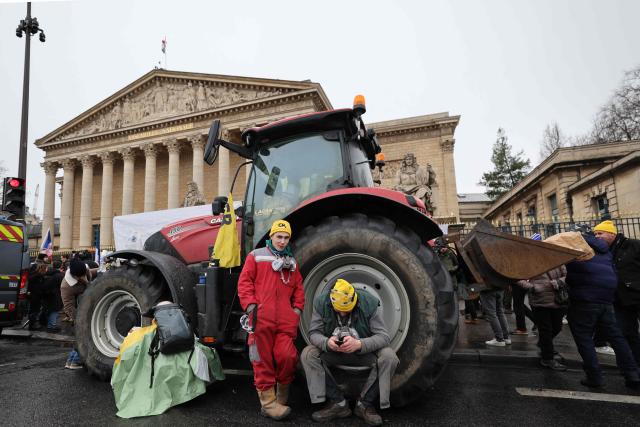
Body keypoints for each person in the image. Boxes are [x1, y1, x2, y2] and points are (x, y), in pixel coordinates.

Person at [301, 279, 399, 427]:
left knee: (389, 357)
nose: (342, 313)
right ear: (331, 302)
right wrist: (327, 343)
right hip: (334, 352)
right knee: (308, 354)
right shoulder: (321, 303)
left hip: (364, 353)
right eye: (338, 309)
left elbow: (384, 337)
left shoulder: (370, 303)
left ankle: (364, 405)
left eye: (346, 309)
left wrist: (359, 344)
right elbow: (314, 333)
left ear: (354, 300)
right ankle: (338, 404)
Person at [237, 219, 304, 421]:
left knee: (288, 357)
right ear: (271, 236)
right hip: (261, 319)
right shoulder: (256, 257)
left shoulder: (291, 262)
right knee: (262, 360)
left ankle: (280, 399)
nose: (282, 241)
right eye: (279, 237)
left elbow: (299, 289)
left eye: (286, 238)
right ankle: (268, 404)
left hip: (284, 321)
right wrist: (251, 307)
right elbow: (244, 283)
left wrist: (296, 311)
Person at [565, 232, 640, 389]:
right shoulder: (605, 251)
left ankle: (594, 376)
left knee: (584, 338)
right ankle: (632, 373)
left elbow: (570, 274)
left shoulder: (576, 248)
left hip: (584, 300)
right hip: (606, 299)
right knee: (616, 337)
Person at [593, 220, 640, 364]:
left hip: (636, 294)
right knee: (625, 333)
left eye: (600, 233)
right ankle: (633, 364)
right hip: (619, 300)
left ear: (611, 233)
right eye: (595, 234)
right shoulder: (603, 251)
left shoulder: (633, 245)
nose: (597, 237)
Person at [517, 264, 568, 371]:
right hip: (539, 301)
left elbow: (567, 276)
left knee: (557, 327)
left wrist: (559, 281)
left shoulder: (558, 260)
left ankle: (544, 344)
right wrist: (532, 287)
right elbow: (518, 278)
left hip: (556, 299)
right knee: (546, 330)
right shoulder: (530, 262)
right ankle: (547, 358)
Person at [40, 260, 64, 333]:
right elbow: (62, 286)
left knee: (48, 309)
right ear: (61, 266)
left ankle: (47, 323)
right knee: (55, 311)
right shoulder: (59, 275)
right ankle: (51, 326)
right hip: (55, 296)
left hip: (46, 295)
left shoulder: (46, 273)